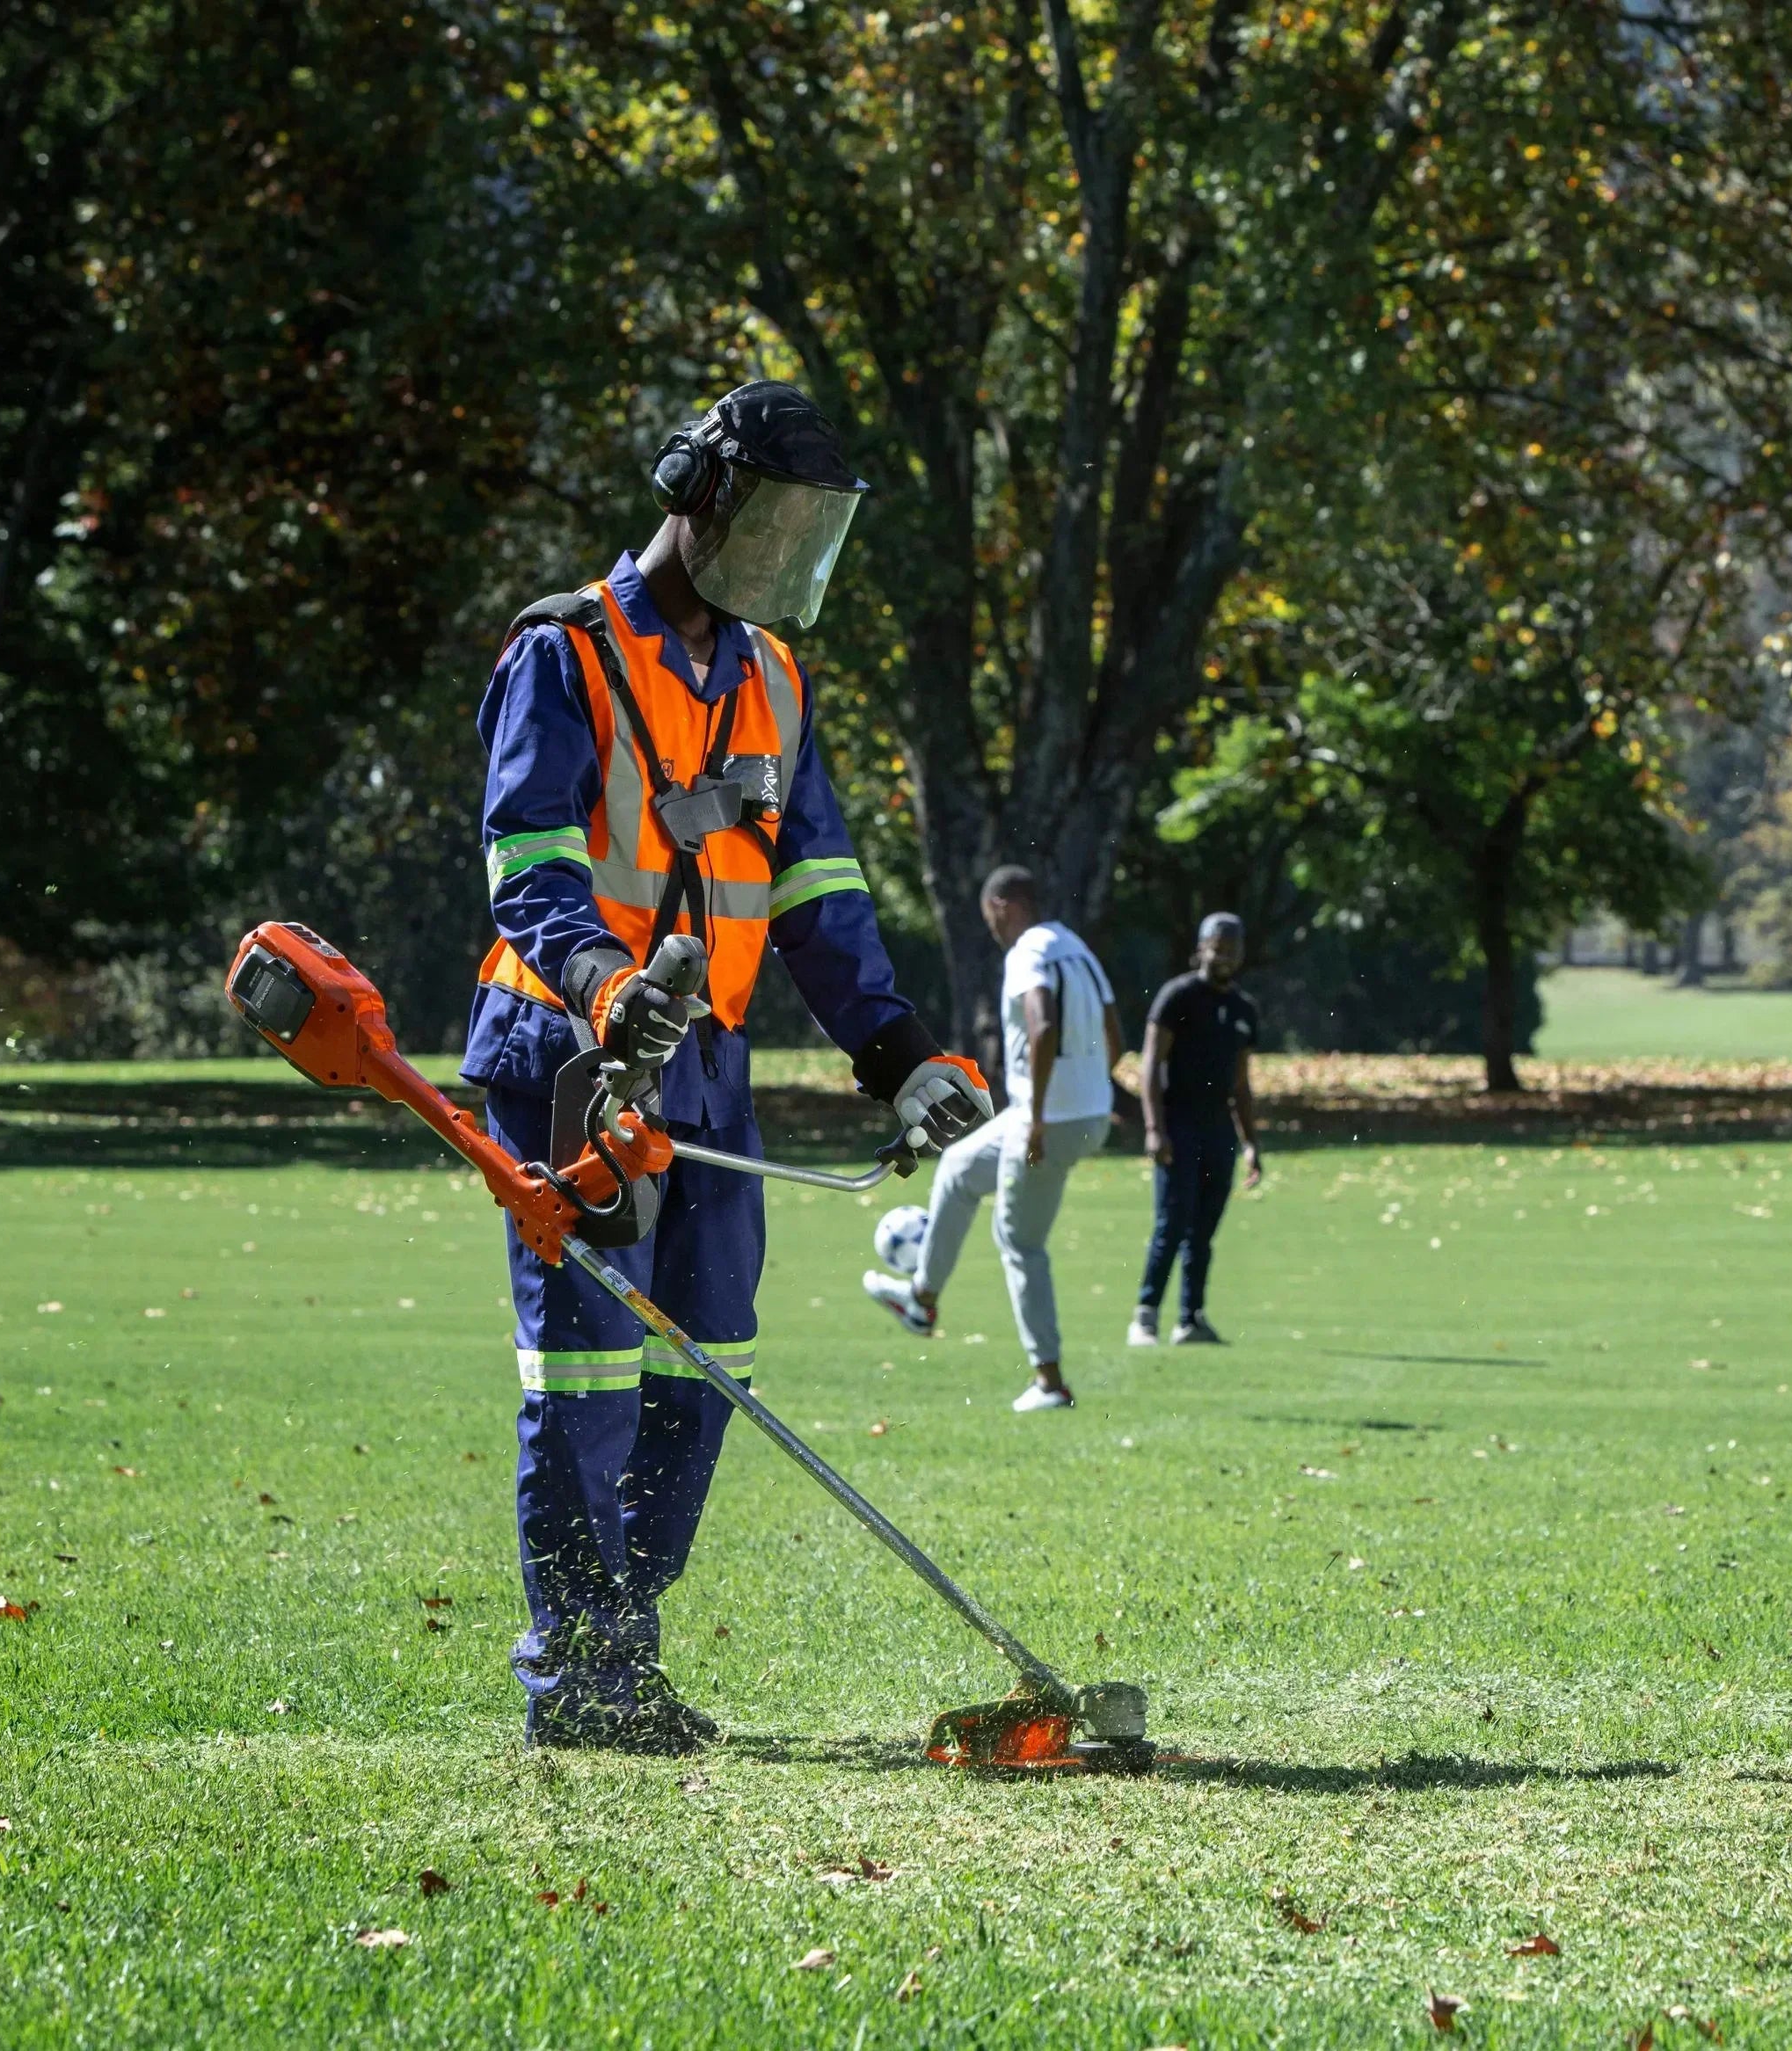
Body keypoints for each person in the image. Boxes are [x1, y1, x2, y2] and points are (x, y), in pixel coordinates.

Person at [467, 382, 994, 1753]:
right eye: (770, 518)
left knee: (707, 1369)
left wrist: (893, 1051)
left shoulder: (772, 675)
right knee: (585, 1373)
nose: (783, 554)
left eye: (810, 532)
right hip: (573, 1063)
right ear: (695, 493)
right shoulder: (564, 652)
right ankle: (573, 1675)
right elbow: (529, 862)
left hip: (705, 1073)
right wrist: (608, 986)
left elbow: (818, 888)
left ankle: (624, 1644)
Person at [863, 866, 1125, 1413]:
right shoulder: (1076, 948)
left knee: (1021, 1243)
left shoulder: (1028, 953)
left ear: (1003, 904)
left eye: (990, 917)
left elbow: (1043, 1025)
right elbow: (1114, 1033)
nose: (992, 929)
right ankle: (922, 1300)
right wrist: (1089, 1095)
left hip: (1044, 1118)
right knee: (958, 1168)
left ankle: (1050, 1383)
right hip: (1082, 1114)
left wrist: (1039, 1115)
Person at [1131, 912, 1263, 1346]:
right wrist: (1154, 1127)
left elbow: (1241, 1084)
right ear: (1201, 947)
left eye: (1232, 947)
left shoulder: (1244, 1010)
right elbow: (1150, 1063)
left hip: (1218, 1129)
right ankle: (1145, 1316)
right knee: (1172, 1221)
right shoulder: (1178, 997)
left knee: (1204, 1229)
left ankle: (1191, 1318)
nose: (1224, 955)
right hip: (1178, 1123)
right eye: (1217, 945)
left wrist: (1251, 1143)